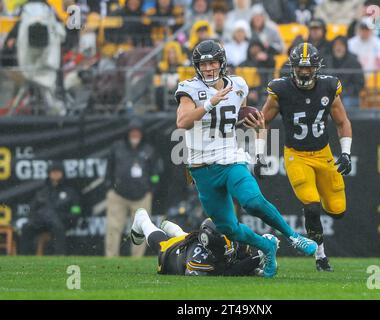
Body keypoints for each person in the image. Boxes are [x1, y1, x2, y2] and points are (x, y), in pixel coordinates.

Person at [174, 40, 318, 278]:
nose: (208, 68)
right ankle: (266, 246)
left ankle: (294, 237)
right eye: (204, 64)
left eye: (213, 62)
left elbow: (250, 121)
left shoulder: (239, 85)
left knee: (251, 201)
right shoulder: (189, 88)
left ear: (222, 63)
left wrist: (259, 140)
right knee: (228, 228)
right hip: (201, 168)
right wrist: (211, 102)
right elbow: (183, 122)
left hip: (231, 158)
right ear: (197, 66)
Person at [256, 42, 353, 272]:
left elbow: (342, 122)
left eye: (309, 68)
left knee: (338, 211)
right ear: (293, 67)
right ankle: (320, 256)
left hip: (323, 153)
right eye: (300, 67)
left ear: (317, 67)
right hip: (296, 155)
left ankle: (317, 237)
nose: (305, 72)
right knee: (311, 207)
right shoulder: (281, 89)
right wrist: (259, 154)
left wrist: (346, 152)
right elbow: (263, 121)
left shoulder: (329, 86)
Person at [130, 210, 274, 276]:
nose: (232, 245)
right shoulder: (197, 256)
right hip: (174, 253)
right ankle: (142, 218)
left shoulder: (227, 240)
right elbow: (225, 272)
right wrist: (260, 256)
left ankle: (174, 229)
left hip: (190, 240)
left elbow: (237, 260)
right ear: (209, 244)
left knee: (185, 236)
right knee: (163, 245)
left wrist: (253, 264)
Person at [104, 117, 161, 257]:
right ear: (128, 133)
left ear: (142, 134)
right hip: (118, 195)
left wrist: (150, 189)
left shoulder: (148, 150)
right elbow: (109, 169)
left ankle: (137, 260)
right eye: (132, 132)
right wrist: (110, 187)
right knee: (113, 227)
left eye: (138, 132)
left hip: (141, 197)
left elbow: (155, 173)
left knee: (140, 230)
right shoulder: (117, 147)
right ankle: (110, 258)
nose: (135, 135)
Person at [21, 161, 81, 255]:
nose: (55, 174)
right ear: (49, 174)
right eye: (53, 172)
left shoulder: (70, 192)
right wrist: (34, 218)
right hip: (43, 222)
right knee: (26, 227)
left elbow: (76, 210)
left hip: (62, 221)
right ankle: (24, 256)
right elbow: (32, 209)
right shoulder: (42, 192)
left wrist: (68, 218)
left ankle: (59, 255)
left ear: (63, 173)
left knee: (57, 225)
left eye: (58, 172)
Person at [323, 36, 365, 109]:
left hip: (348, 95)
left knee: (346, 102)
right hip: (329, 94)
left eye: (341, 45)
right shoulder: (326, 61)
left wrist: (345, 91)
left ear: (346, 47)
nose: (338, 48)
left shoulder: (354, 62)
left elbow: (360, 83)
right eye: (336, 45)